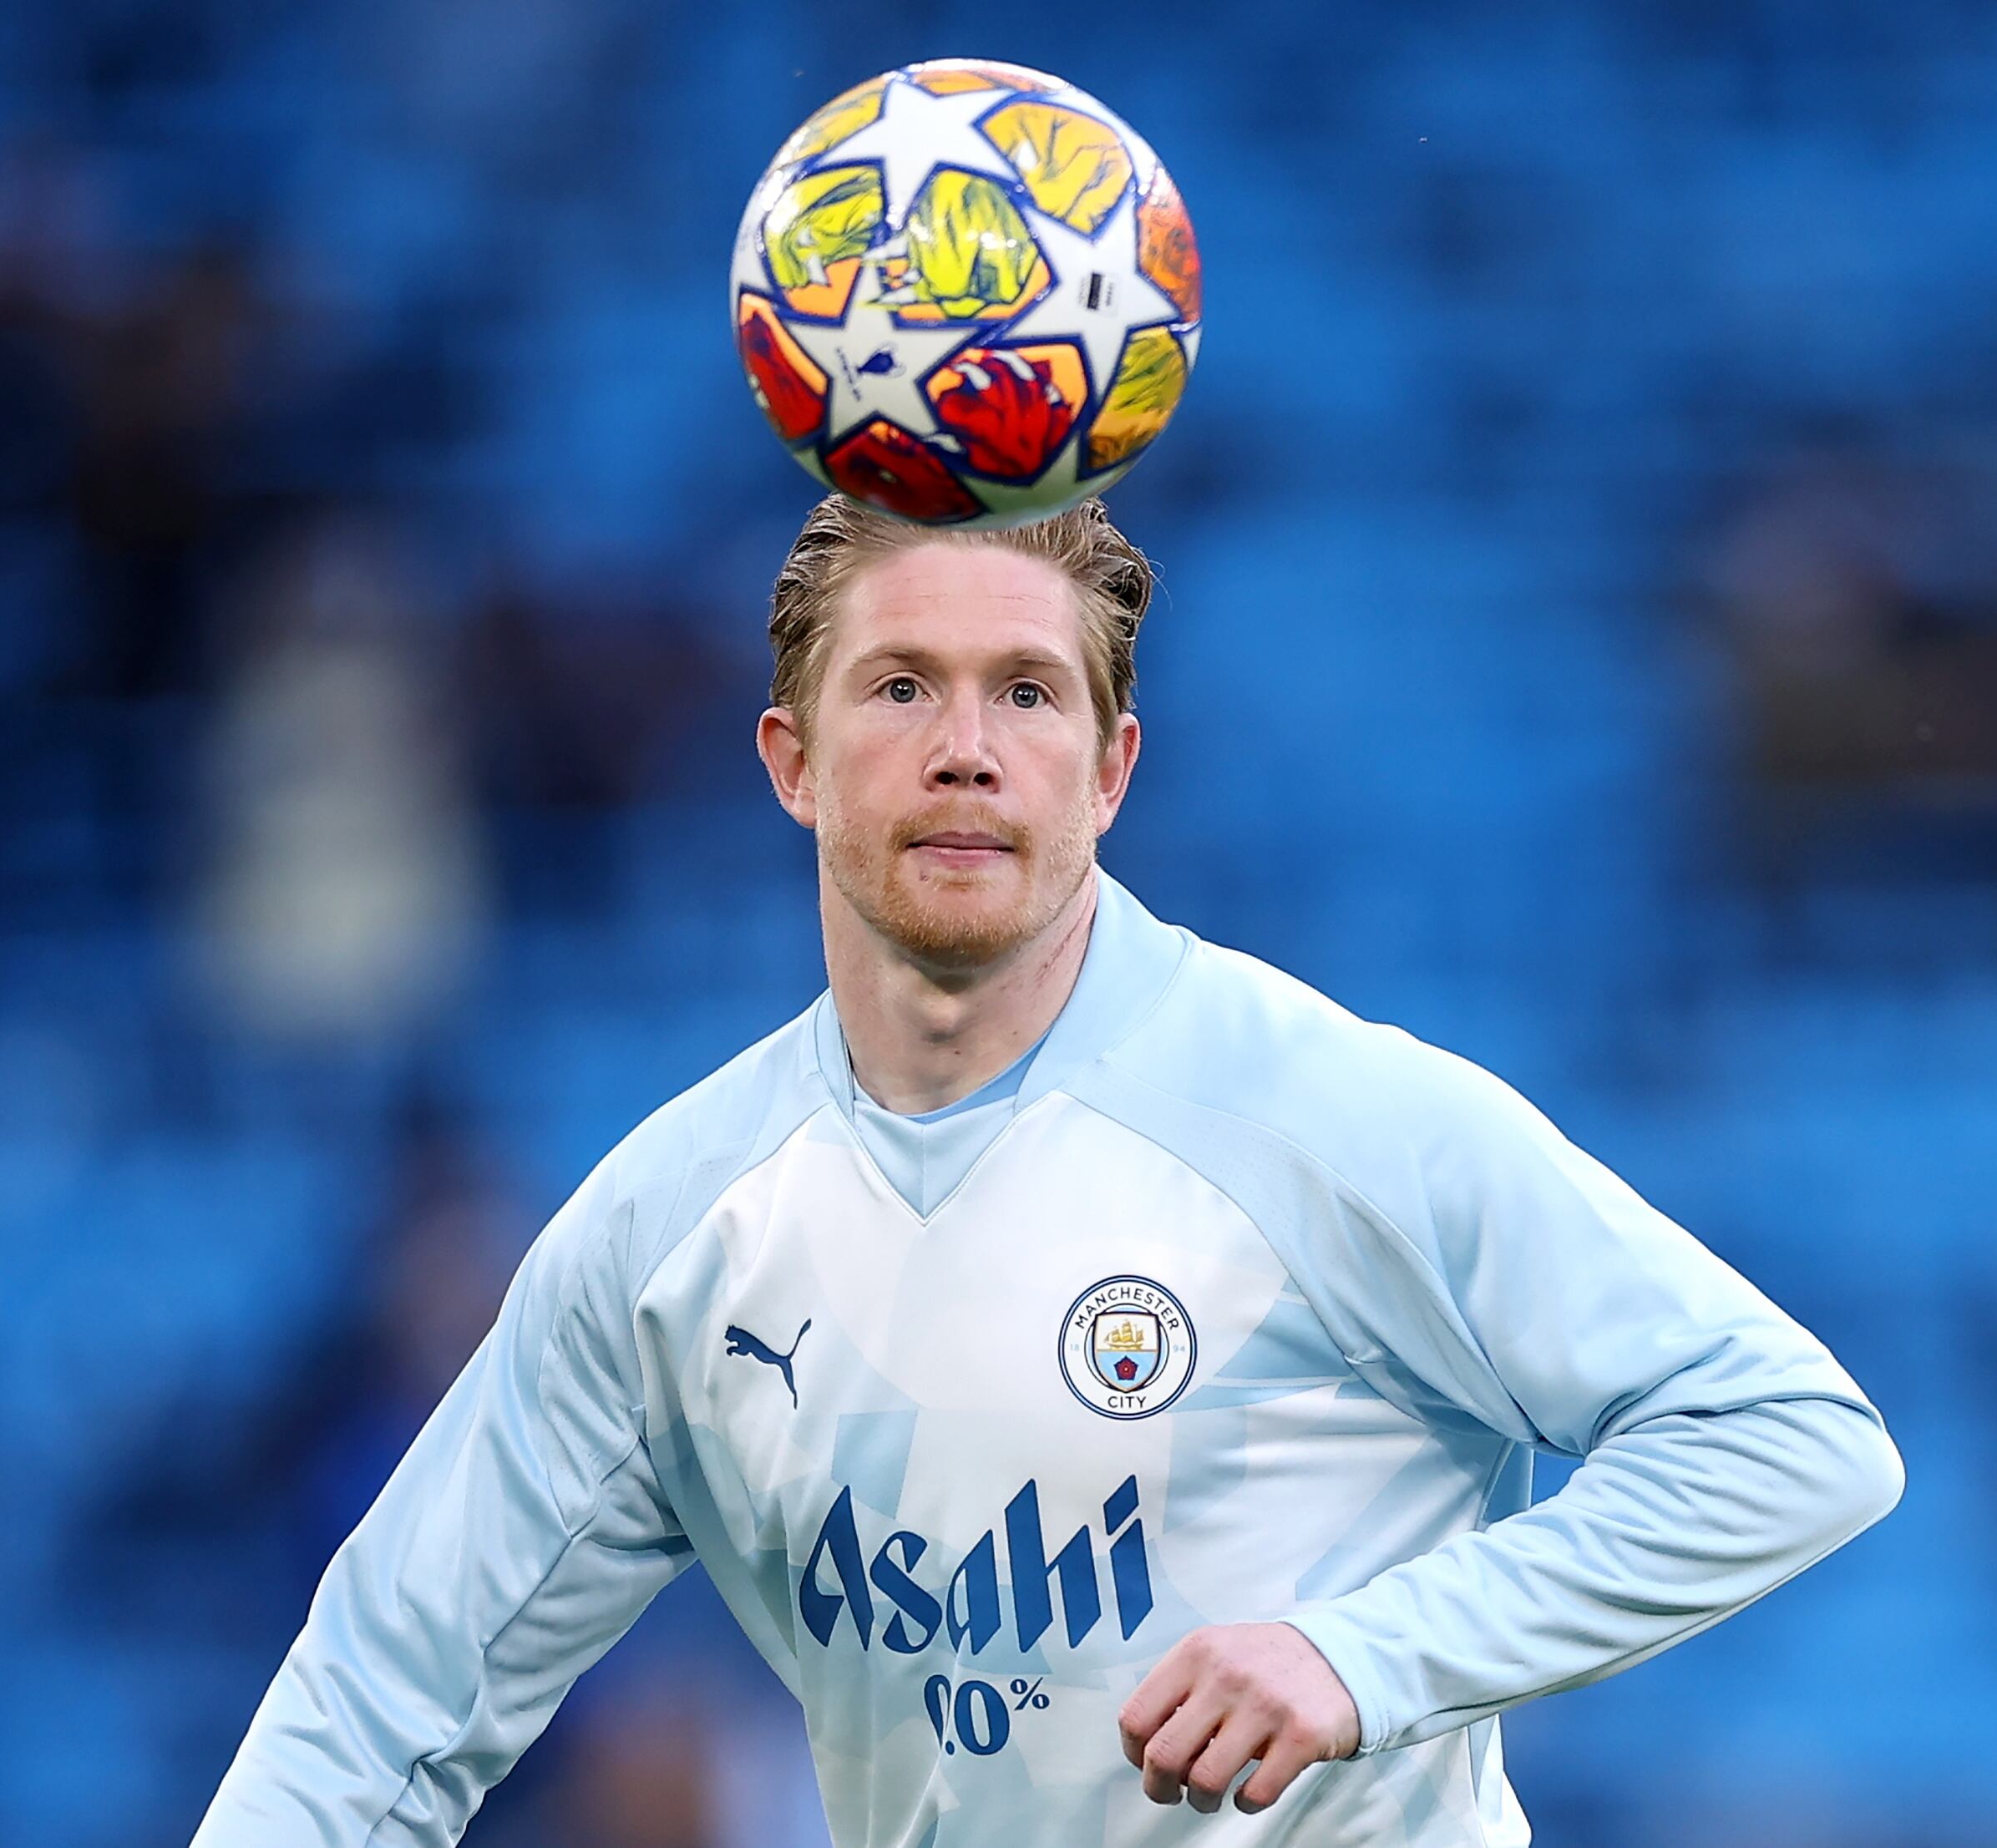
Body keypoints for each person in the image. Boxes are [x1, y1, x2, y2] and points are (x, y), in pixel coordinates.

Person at [192, 494, 1904, 1848]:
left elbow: (1788, 1435)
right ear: (791, 763)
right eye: (900, 687)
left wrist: (1368, 1655)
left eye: (1026, 690)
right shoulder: (673, 1230)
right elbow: (377, 1702)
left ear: (1111, 767)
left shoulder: (1330, 1120)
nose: (967, 746)